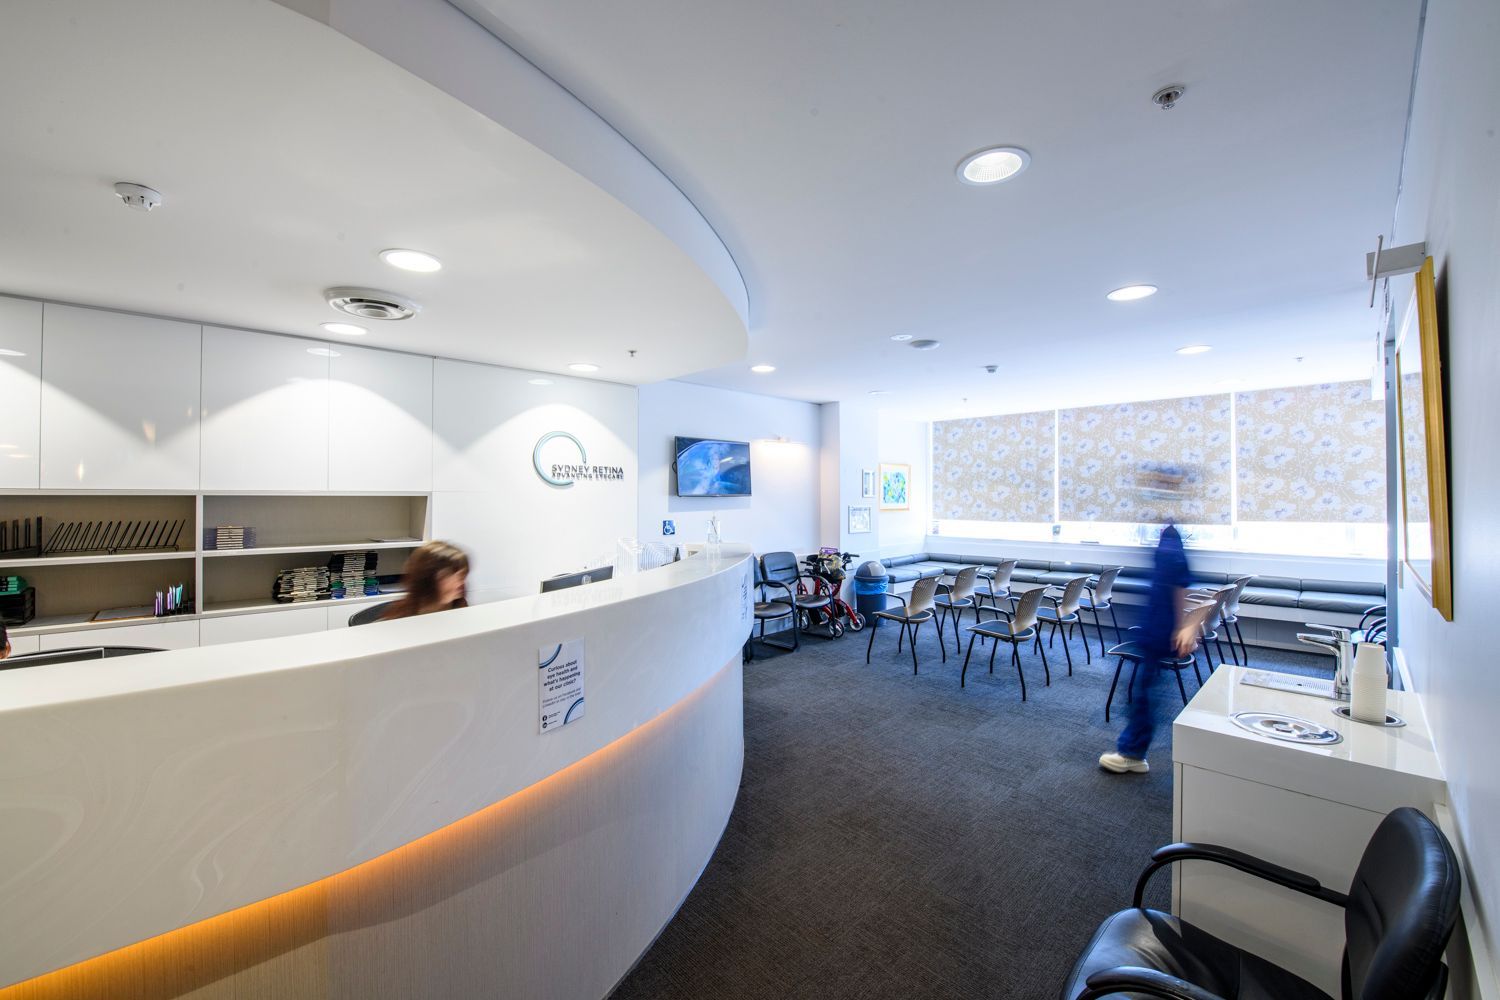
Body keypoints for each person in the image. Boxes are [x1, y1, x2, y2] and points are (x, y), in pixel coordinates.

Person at [1099, 467, 1197, 775]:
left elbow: (1180, 583)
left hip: (1161, 625)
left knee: (1143, 691)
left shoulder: (1171, 537)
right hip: (1157, 622)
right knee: (1143, 689)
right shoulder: (1166, 534)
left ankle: (1132, 752)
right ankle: (1134, 750)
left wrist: (1182, 625)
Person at [380, 541, 470, 620]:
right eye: (453, 575)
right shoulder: (399, 619)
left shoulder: (460, 607)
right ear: (427, 579)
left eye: (463, 575)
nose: (462, 582)